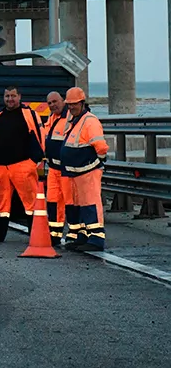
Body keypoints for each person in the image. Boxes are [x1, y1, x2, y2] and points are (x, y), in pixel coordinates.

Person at [0, 85, 45, 243]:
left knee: (30, 203)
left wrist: (36, 160)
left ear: (19, 97)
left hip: (22, 165)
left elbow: (39, 136)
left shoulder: (29, 114)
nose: (10, 99)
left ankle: (36, 235)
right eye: (7, 96)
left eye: (13, 96)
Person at [59, 87, 109, 250]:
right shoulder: (73, 120)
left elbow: (100, 146)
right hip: (75, 171)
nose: (71, 107)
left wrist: (96, 161)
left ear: (82, 103)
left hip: (87, 170)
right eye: (69, 104)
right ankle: (83, 236)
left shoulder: (90, 121)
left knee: (91, 204)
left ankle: (96, 239)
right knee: (79, 205)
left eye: (74, 104)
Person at [42, 90, 72, 246]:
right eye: (50, 103)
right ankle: (54, 235)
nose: (53, 105)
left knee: (71, 202)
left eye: (55, 101)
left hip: (68, 170)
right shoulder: (51, 119)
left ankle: (74, 235)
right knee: (53, 201)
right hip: (53, 168)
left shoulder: (70, 118)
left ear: (64, 101)